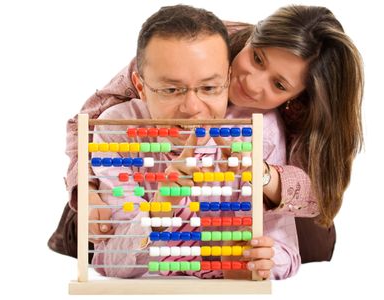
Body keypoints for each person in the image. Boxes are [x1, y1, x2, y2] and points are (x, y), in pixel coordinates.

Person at [49, 4, 363, 269]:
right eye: (256, 58)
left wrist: (262, 174)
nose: (252, 84)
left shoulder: (285, 122)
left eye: (278, 85)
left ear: (297, 97)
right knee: (98, 229)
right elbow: (90, 119)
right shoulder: (185, 49)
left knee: (299, 246)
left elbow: (321, 195)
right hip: (140, 180)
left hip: (262, 201)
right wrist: (87, 190)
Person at [89, 4, 295, 280]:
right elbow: (111, 260)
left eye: (209, 88)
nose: (191, 107)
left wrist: (264, 259)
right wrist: (160, 211)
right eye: (171, 90)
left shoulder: (258, 133)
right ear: (140, 87)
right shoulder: (117, 131)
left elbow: (286, 251)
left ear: (228, 79)